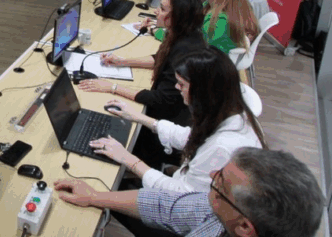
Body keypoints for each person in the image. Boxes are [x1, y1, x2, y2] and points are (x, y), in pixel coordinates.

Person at [90, 49, 266, 198]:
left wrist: (128, 159)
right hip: (189, 186)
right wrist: (138, 117)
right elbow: (190, 136)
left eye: (182, 84)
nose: (176, 88)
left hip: (184, 211)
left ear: (202, 92)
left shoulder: (221, 147)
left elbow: (181, 196)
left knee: (108, 188)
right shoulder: (231, 112)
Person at [54, 147, 325, 237]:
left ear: (245, 227)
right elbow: (165, 206)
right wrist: (94, 196)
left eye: (220, 182)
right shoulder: (223, 213)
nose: (211, 175)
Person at [78, 0, 207, 167]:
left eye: (162, 9)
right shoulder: (184, 35)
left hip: (164, 128)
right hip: (168, 115)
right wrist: (122, 62)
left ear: (177, 17)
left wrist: (112, 87)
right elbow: (160, 58)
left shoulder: (185, 52)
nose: (156, 11)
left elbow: (160, 99)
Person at [147, 0, 259, 54]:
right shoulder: (209, 5)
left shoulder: (219, 20)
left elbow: (191, 47)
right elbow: (188, 34)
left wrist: (156, 31)